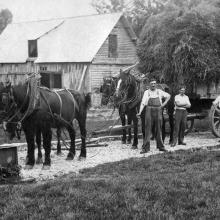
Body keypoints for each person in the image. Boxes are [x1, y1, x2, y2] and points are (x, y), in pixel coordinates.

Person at [137, 78, 170, 153]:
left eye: (154, 83)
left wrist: (163, 104)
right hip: (149, 110)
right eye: (151, 83)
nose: (153, 85)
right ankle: (146, 148)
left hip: (158, 110)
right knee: (147, 128)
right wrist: (139, 112)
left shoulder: (159, 91)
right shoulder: (146, 92)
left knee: (158, 128)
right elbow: (143, 103)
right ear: (149, 84)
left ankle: (161, 146)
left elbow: (168, 96)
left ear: (156, 84)